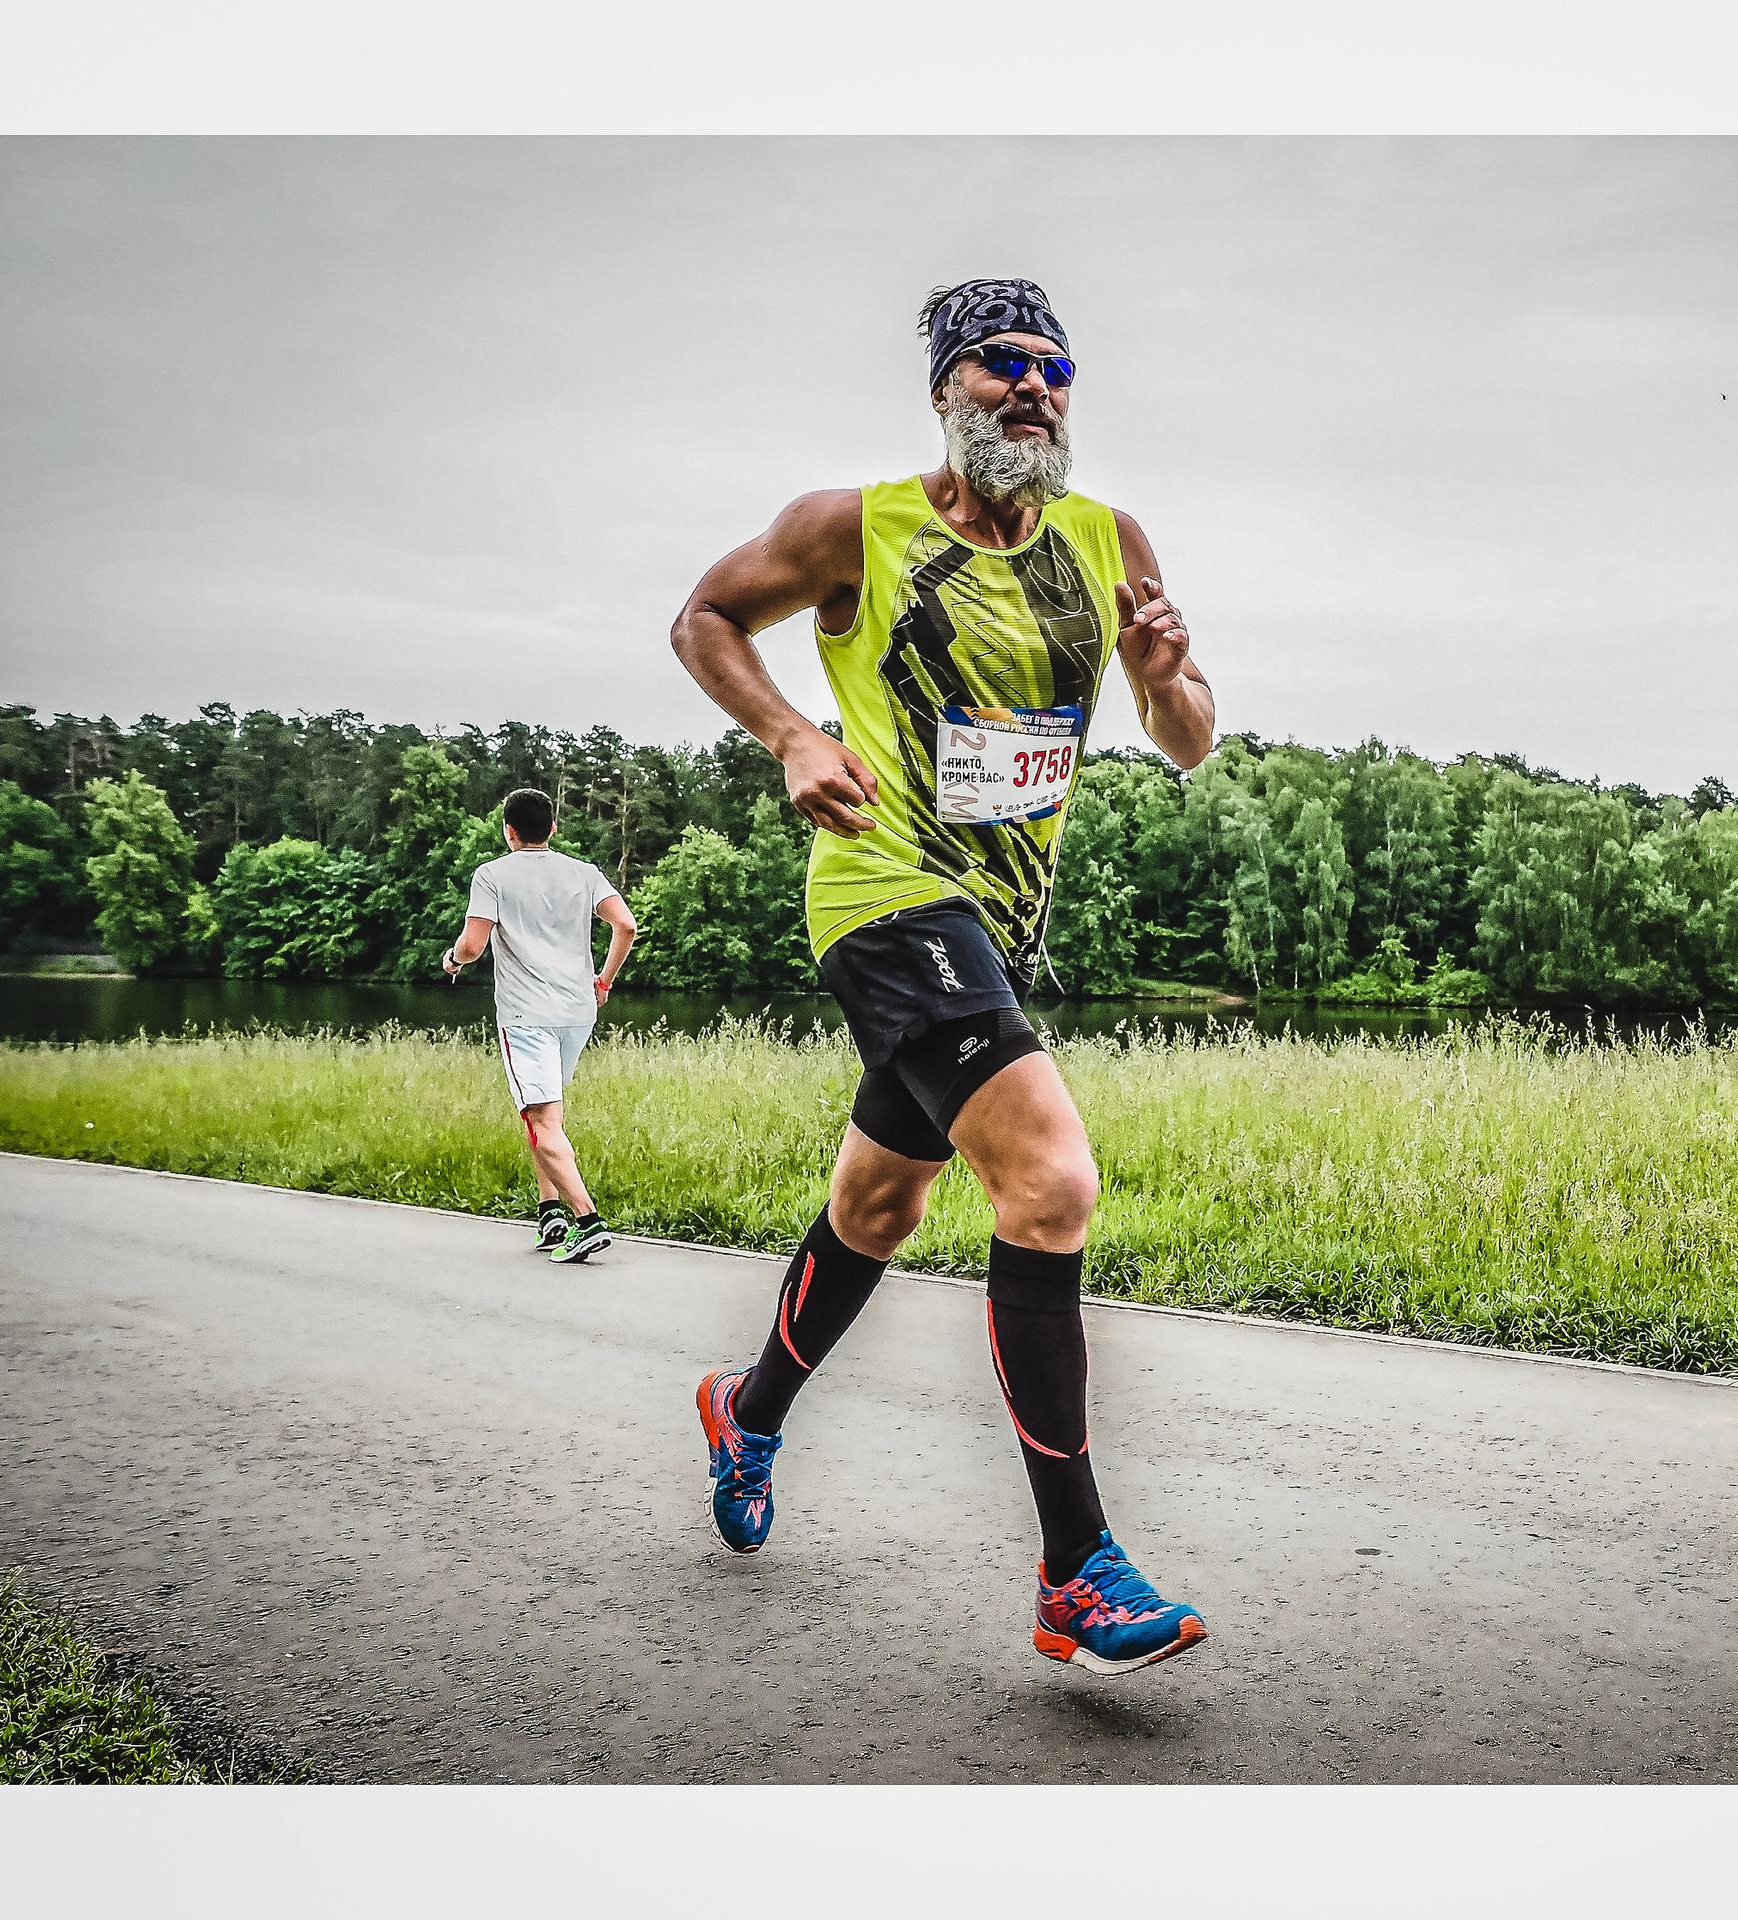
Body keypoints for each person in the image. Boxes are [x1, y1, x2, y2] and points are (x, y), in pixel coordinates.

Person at [669, 278, 1218, 1675]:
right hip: (882, 893)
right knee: (1052, 1183)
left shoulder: (1111, 542)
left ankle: (749, 1408)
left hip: (997, 919)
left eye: (1054, 367)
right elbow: (704, 620)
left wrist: (1164, 679)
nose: (1031, 386)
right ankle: (1076, 1566)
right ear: (943, 389)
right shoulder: (856, 528)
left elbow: (1193, 737)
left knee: (879, 1200)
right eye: (997, 365)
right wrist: (793, 733)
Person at [442, 788, 639, 1265]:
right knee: (547, 1116)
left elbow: (472, 946)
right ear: (552, 828)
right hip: (577, 1011)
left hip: (526, 1015)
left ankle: (587, 1221)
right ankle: (549, 1210)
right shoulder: (584, 873)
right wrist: (605, 981)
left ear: (509, 831)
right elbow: (627, 926)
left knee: (540, 1118)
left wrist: (451, 961)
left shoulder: (492, 875)